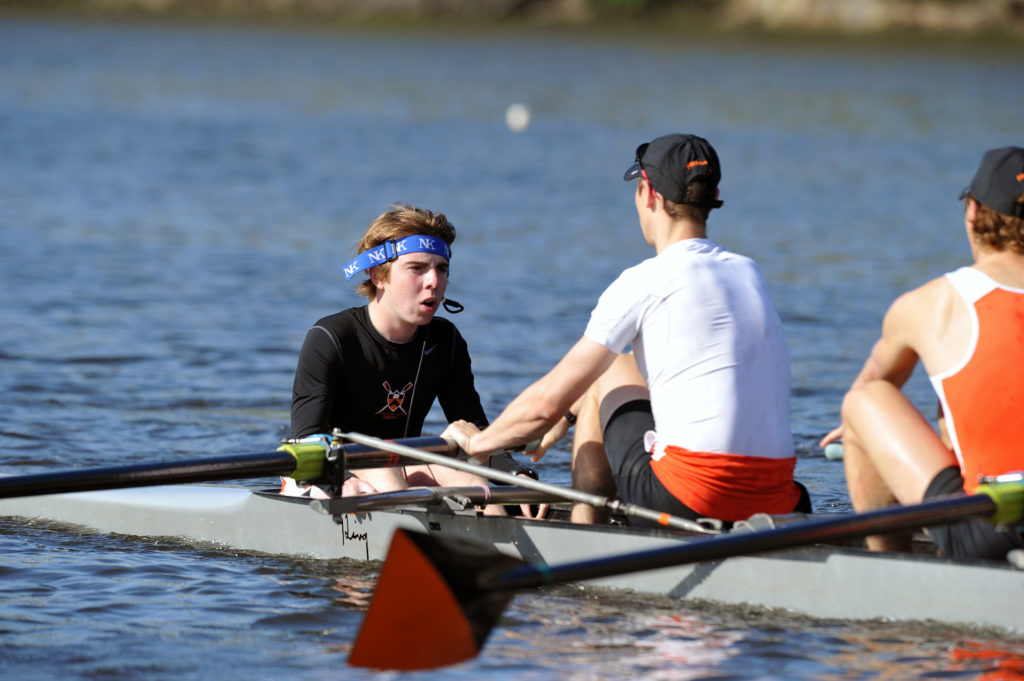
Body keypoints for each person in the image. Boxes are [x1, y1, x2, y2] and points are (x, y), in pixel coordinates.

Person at [443, 134, 810, 526]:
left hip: (690, 500)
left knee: (607, 372)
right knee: (622, 366)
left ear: (647, 193)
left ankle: (585, 530)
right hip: (781, 501)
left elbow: (544, 403)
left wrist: (479, 443)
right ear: (712, 195)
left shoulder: (644, 281)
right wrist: (567, 415)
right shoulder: (748, 272)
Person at [820, 146, 1024, 560]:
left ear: (972, 211)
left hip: (994, 526)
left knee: (863, 402)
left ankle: (886, 568)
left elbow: (872, 386)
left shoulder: (932, 304)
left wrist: (859, 431)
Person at [288, 203, 540, 514]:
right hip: (324, 470)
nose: (434, 280)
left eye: (442, 268)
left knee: (475, 484)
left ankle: (504, 555)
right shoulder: (331, 337)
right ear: (378, 275)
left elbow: (474, 431)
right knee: (385, 473)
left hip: (401, 464)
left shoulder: (446, 341)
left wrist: (516, 476)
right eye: (417, 268)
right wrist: (340, 481)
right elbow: (306, 442)